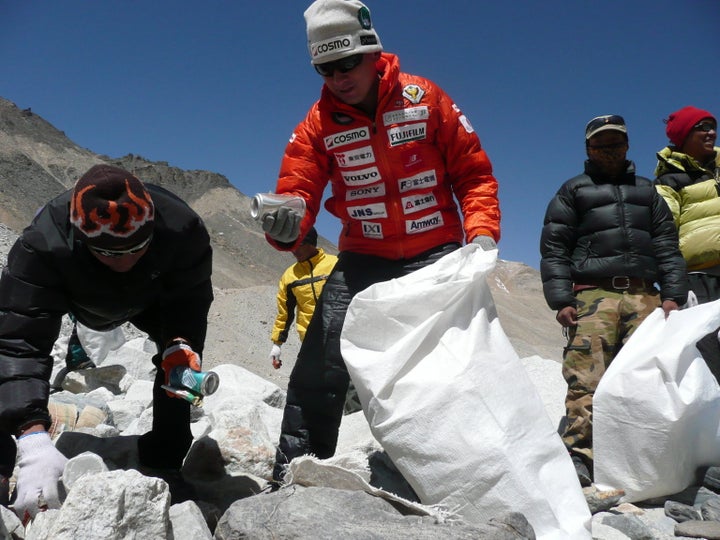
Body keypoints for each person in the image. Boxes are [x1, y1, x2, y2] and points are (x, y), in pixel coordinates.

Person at [261, 0, 500, 484]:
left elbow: (473, 173)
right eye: (325, 68)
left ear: (373, 52)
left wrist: (481, 234)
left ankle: (468, 476)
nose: (338, 77)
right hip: (362, 258)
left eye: (347, 62)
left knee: (456, 366)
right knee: (319, 367)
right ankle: (291, 478)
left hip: (437, 255)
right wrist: (285, 226)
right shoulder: (317, 123)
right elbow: (297, 190)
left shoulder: (426, 97)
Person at [0, 164, 213, 519]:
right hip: (74, 293)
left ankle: (166, 462)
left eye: (138, 247)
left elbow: (189, 306)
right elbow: (18, 342)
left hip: (152, 298)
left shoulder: (182, 229)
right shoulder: (44, 242)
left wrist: (180, 345)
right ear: (81, 238)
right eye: (111, 253)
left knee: (178, 367)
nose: (126, 261)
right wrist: (34, 439)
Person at [540, 115, 688, 486]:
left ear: (627, 146)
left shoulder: (647, 191)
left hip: (645, 296)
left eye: (616, 143)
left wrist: (672, 295)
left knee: (649, 378)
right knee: (585, 378)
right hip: (592, 296)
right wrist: (561, 299)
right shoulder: (573, 190)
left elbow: (668, 246)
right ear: (589, 148)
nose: (610, 150)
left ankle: (643, 458)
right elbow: (555, 247)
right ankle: (579, 457)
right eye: (602, 144)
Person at [654, 106, 720, 304]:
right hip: (701, 279)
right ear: (684, 135)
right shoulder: (668, 182)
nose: (712, 133)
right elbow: (664, 235)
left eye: (714, 127)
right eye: (704, 127)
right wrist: (673, 287)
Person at [268, 227, 337, 370]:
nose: (294, 251)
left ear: (311, 243)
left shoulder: (336, 265)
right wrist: (277, 344)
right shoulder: (289, 276)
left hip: (341, 340)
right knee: (302, 388)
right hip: (310, 343)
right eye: (291, 246)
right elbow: (284, 314)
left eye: (298, 245)